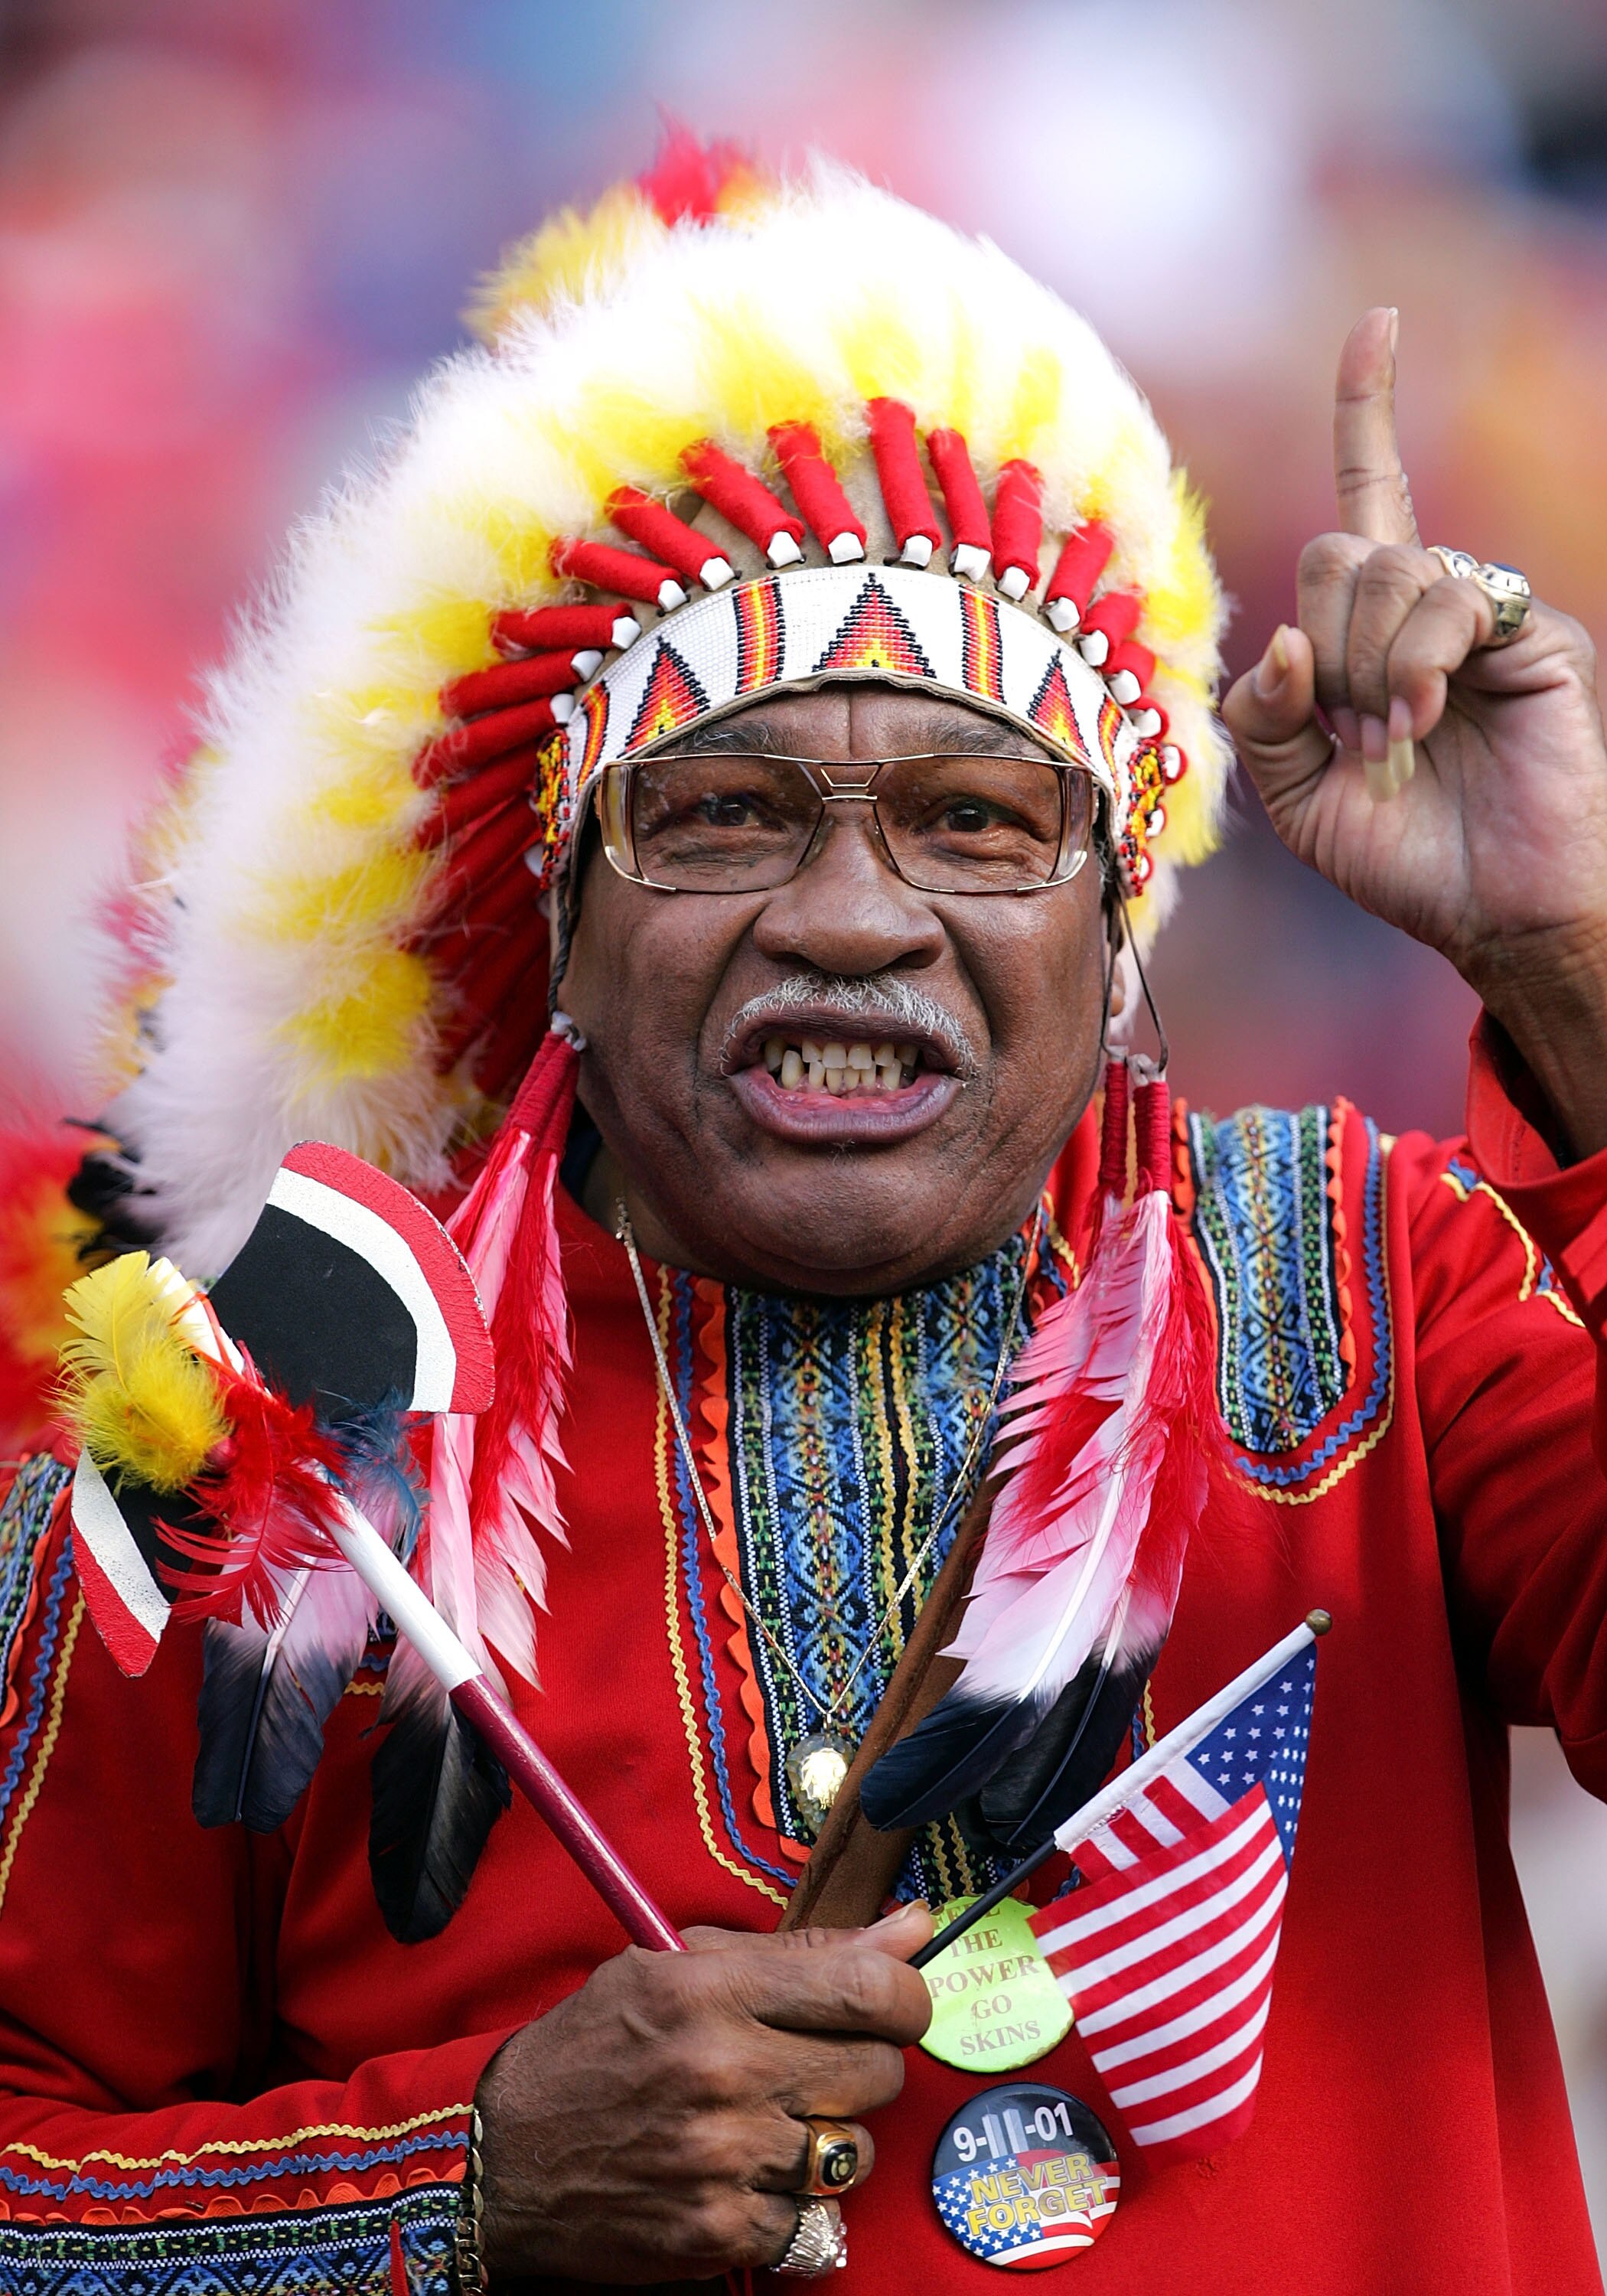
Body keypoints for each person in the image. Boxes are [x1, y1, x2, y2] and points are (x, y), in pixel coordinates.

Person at [1, 134, 1605, 2296]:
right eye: (723, 816)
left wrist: (1562, 949)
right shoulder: (267, 1434)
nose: (850, 915)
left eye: (972, 820)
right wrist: (449, 2187)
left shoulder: (1364, 1293)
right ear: (555, 927)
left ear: (1107, 928)